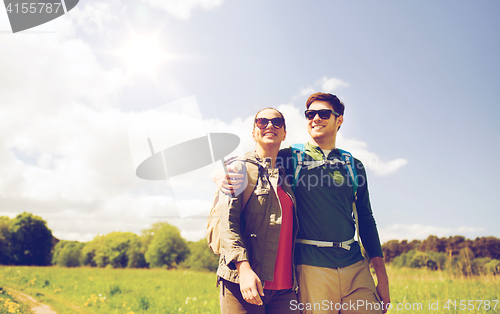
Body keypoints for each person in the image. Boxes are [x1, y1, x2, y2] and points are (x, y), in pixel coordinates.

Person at [217, 93, 390, 314]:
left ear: (339, 120)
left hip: (355, 266)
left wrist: (382, 277)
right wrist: (222, 173)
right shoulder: (291, 158)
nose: (315, 118)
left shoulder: (353, 165)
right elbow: (257, 158)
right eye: (310, 114)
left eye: (323, 114)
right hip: (311, 266)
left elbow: (366, 220)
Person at [216, 108, 299, 314]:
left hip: (285, 289)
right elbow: (227, 224)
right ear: (254, 132)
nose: (270, 125)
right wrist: (243, 269)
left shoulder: (288, 173)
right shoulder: (239, 168)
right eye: (262, 122)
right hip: (243, 282)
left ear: (284, 133)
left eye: (277, 122)